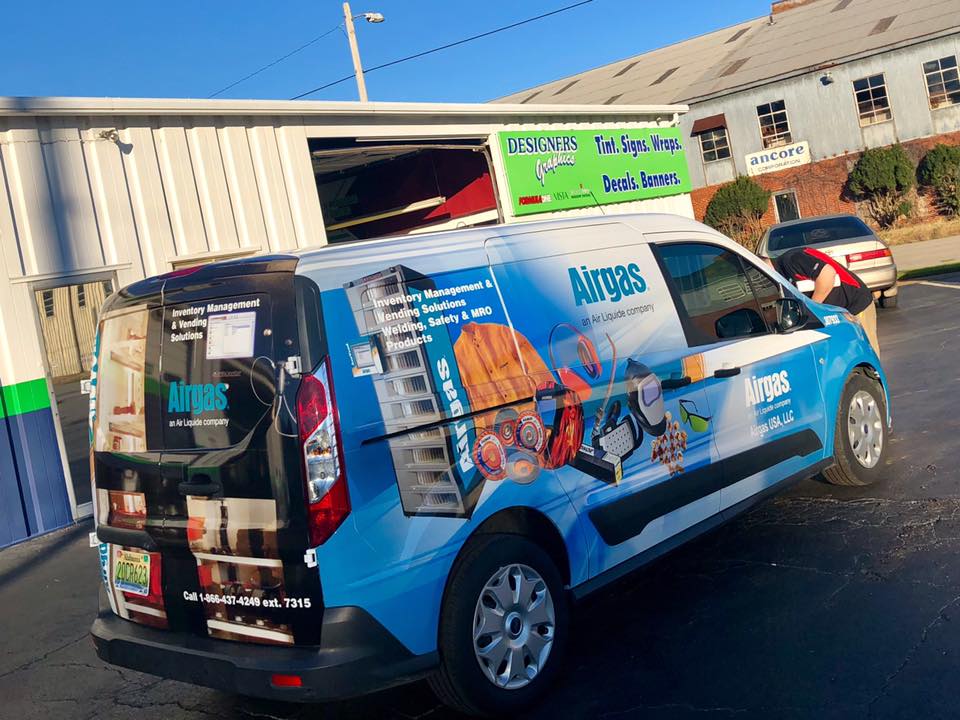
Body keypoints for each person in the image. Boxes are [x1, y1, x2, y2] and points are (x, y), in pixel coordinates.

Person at [767, 247, 879, 356]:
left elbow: (827, 274)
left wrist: (812, 309)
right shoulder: (781, 276)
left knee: (865, 355)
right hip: (838, 315)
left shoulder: (792, 259)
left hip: (856, 304)